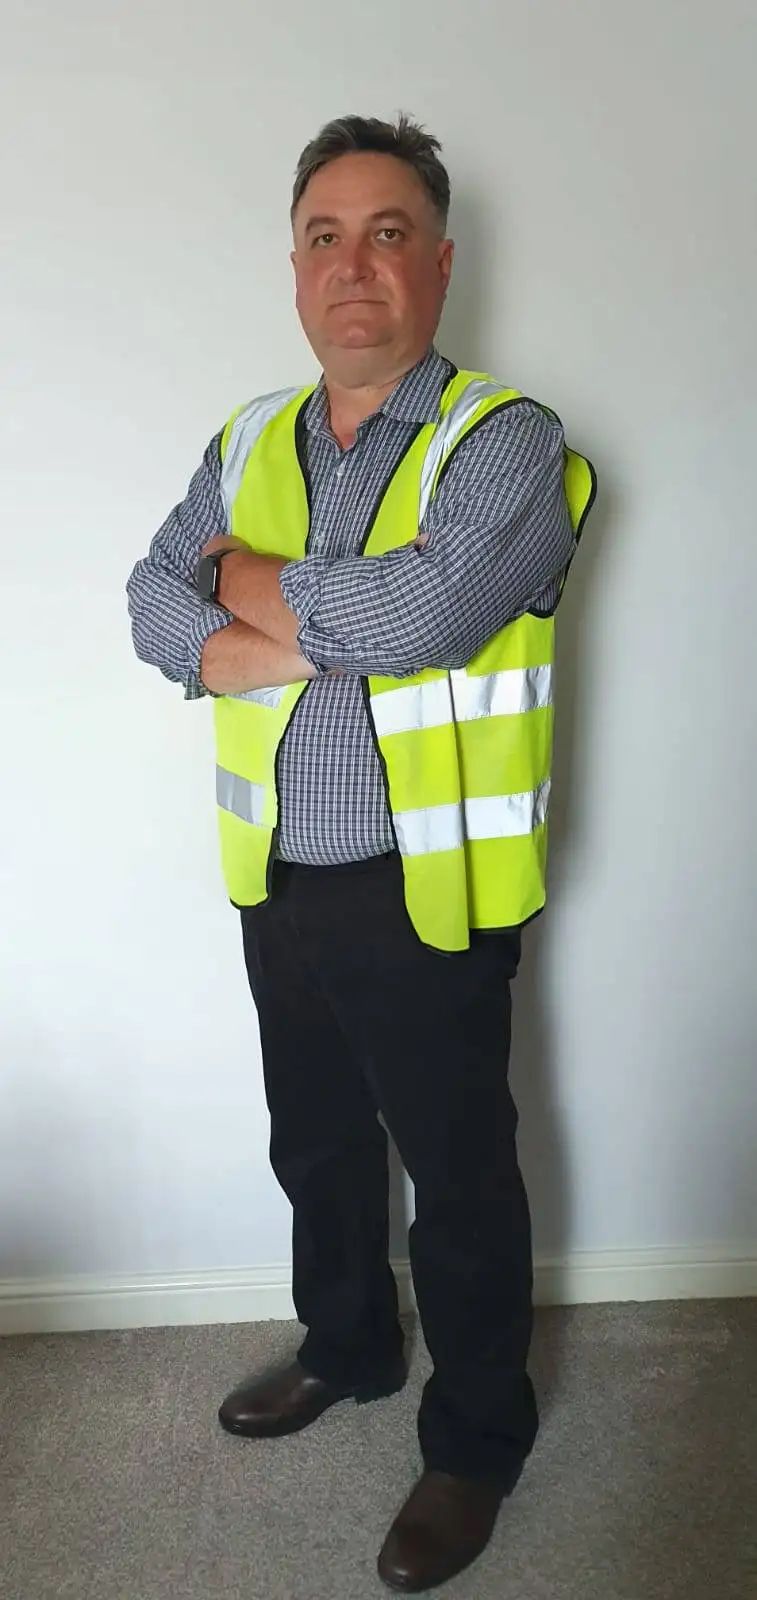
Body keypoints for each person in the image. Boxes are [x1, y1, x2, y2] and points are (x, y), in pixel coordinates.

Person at [127, 113, 596, 1593]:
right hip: (281, 870)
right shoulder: (248, 438)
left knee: (457, 1173)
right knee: (318, 1140)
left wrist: (250, 587)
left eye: (388, 234)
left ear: (440, 264)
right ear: (294, 267)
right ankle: (348, 1345)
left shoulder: (505, 441)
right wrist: (273, 625)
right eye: (324, 237)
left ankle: (476, 1438)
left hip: (427, 880)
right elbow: (149, 600)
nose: (354, 266)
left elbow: (431, 615)